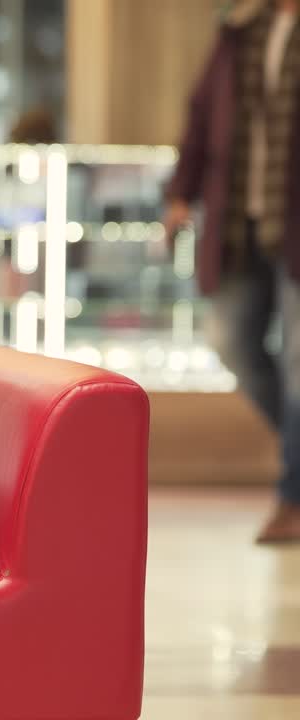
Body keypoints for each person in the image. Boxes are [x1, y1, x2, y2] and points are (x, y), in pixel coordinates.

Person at [165, 0, 300, 542]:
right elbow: (202, 115)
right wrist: (181, 192)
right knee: (229, 341)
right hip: (240, 221)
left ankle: (293, 497)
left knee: (299, 361)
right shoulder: (240, 29)